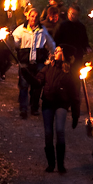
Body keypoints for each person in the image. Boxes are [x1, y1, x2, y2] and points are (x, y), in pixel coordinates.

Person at [34, 45, 80, 173]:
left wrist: (76, 114)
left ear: (64, 54)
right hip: (48, 103)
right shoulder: (47, 68)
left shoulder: (68, 72)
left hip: (61, 104)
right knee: (48, 133)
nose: (56, 52)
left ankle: (60, 164)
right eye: (55, 50)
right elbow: (37, 82)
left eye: (59, 50)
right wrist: (28, 76)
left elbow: (74, 94)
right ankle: (51, 164)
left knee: (59, 130)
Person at [12, 8, 55, 119]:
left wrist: (53, 55)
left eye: (36, 16)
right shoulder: (21, 29)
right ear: (28, 16)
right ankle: (23, 109)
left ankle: (34, 107)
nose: (34, 18)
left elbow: (50, 44)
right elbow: (14, 43)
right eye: (32, 16)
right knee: (24, 85)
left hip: (38, 62)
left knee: (37, 85)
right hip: (25, 62)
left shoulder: (42, 30)